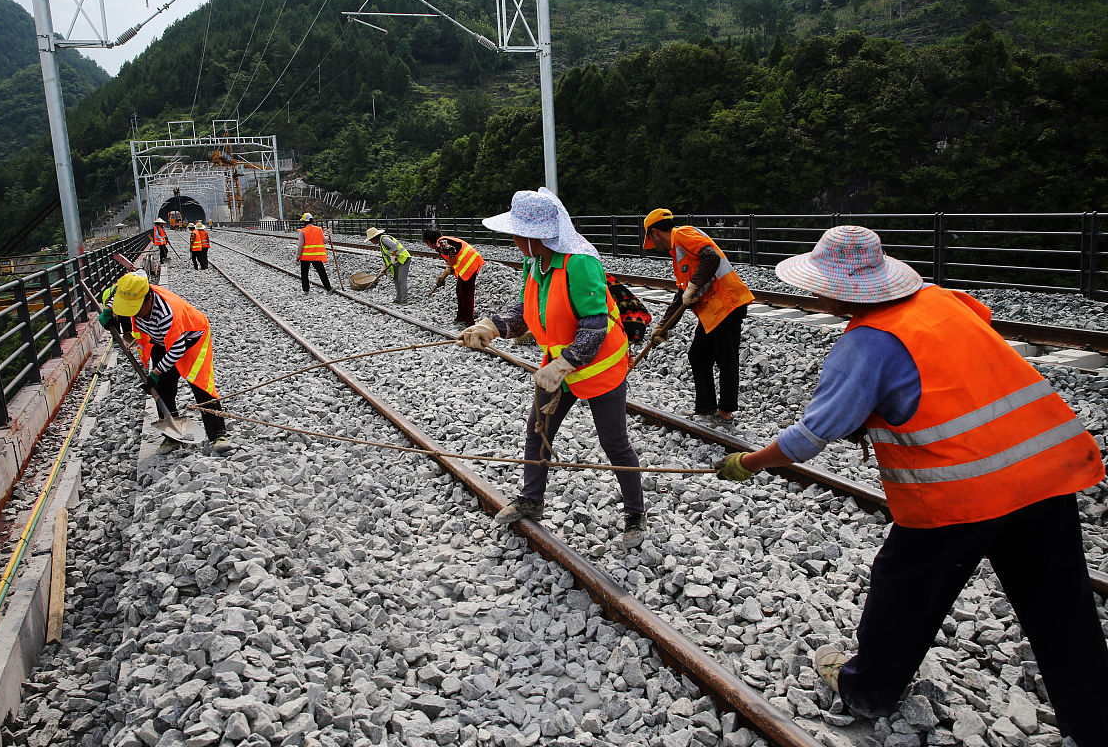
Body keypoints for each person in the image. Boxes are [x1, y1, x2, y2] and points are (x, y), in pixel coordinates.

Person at [713, 225, 1108, 745]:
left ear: (839, 289)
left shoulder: (868, 342)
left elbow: (811, 436)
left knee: (905, 588)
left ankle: (868, 689)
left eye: (820, 285)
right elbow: (957, 351)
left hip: (965, 488)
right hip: (1047, 469)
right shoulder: (941, 300)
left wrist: (751, 461)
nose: (815, 293)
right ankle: (1097, 721)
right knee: (1062, 607)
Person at [457, 188, 646, 548]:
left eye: (517, 232)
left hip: (598, 367)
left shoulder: (579, 263)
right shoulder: (537, 262)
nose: (512, 238)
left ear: (537, 235)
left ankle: (635, 514)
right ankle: (531, 499)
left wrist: (565, 364)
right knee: (538, 430)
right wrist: (492, 327)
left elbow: (595, 324)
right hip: (556, 366)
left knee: (614, 443)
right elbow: (527, 311)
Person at [642, 209, 753, 422]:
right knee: (698, 354)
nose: (656, 247)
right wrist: (663, 326)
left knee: (725, 358)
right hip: (714, 310)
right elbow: (683, 294)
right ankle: (705, 408)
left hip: (728, 304)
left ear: (654, 233)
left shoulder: (683, 234)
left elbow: (710, 257)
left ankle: (725, 412)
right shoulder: (678, 251)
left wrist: (694, 285)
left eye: (652, 241)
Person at [103, 272, 229, 454]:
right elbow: (114, 293)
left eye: (137, 309)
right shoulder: (129, 291)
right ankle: (171, 435)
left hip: (191, 338)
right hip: (161, 340)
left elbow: (177, 349)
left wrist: (156, 372)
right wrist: (108, 310)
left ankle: (218, 434)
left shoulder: (166, 313)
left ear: (148, 299)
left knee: (200, 384)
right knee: (163, 388)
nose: (134, 313)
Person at [424, 227, 483, 327]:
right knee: (460, 291)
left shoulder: (440, 244)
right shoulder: (443, 241)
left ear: (429, 241)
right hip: (468, 264)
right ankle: (461, 316)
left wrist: (449, 266)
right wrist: (442, 277)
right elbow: (450, 260)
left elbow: (451, 251)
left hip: (470, 264)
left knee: (465, 294)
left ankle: (469, 321)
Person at [365, 227, 411, 303]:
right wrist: (384, 268)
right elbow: (386, 257)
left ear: (374, 238)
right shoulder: (381, 243)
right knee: (395, 279)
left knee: (401, 280)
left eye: (370, 240)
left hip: (403, 258)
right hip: (396, 261)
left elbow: (394, 247)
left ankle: (404, 300)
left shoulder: (384, 239)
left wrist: (393, 257)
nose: (371, 242)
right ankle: (398, 298)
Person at [296, 213, 332, 293]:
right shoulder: (319, 229)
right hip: (316, 256)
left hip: (305, 257)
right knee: (322, 272)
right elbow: (324, 241)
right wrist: (327, 236)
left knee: (304, 273)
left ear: (304, 222)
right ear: (312, 220)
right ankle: (329, 288)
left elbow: (300, 246)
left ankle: (306, 290)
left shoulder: (302, 231)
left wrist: (298, 257)